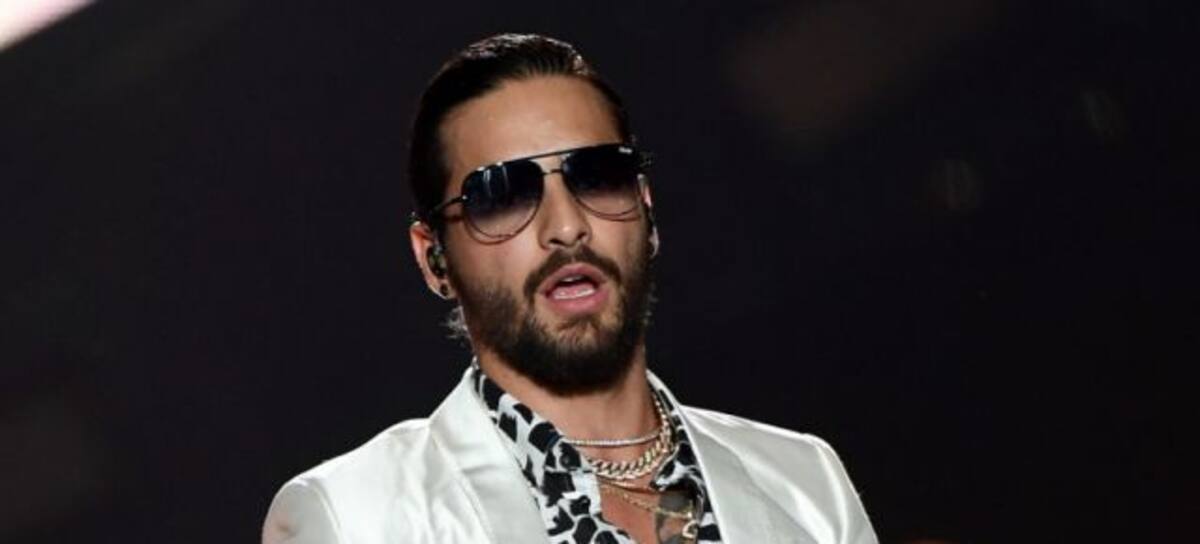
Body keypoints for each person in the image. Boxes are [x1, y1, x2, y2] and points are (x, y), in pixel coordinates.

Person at [262, 33, 877, 544]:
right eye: (503, 195)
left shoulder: (806, 485)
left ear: (645, 209)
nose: (566, 226)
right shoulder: (356, 519)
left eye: (597, 176)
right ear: (434, 259)